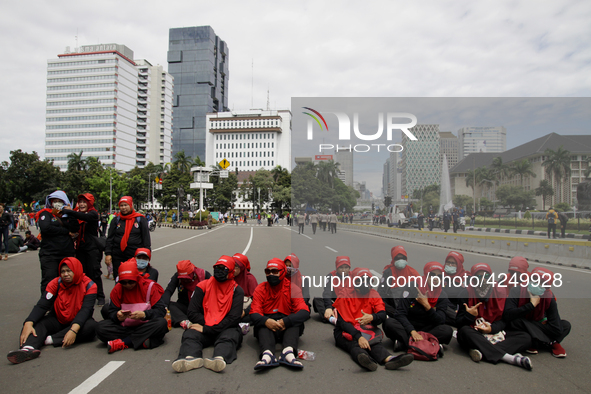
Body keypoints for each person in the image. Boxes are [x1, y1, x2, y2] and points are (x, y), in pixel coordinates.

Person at [7, 257, 98, 364]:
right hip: (58, 320)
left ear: (76, 270)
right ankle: (27, 349)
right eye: (63, 271)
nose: (65, 274)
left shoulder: (90, 285)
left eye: (69, 271)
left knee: (92, 327)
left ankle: (47, 340)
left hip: (78, 323)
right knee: (37, 324)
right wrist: (28, 323)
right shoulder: (55, 283)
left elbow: (85, 310)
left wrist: (73, 330)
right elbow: (42, 306)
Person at [172, 256, 244, 373]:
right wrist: (206, 325)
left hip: (223, 328)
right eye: (217, 268)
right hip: (204, 323)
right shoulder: (202, 286)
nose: (219, 271)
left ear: (231, 272)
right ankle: (190, 357)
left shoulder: (237, 290)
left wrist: (208, 329)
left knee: (231, 336)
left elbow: (234, 318)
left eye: (224, 269)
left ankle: (219, 358)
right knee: (190, 334)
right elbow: (192, 312)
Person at [333, 267, 414, 371]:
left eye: (367, 280)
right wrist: (359, 337)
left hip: (366, 329)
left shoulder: (373, 294)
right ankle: (365, 359)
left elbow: (382, 314)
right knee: (355, 345)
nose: (364, 283)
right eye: (360, 280)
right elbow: (343, 323)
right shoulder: (345, 295)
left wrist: (372, 317)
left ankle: (390, 359)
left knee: (375, 344)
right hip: (346, 331)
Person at [456, 263, 533, 370]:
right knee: (463, 331)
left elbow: (505, 320)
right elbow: (459, 323)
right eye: (479, 276)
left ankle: (483, 350)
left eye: (486, 276)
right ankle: (510, 358)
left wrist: (491, 328)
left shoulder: (500, 292)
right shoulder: (466, 293)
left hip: (495, 332)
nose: (483, 279)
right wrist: (469, 316)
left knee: (526, 337)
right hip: (475, 332)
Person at [95, 260, 168, 353]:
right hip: (125, 326)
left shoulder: (149, 286)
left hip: (145, 324)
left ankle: (124, 342)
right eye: (123, 282)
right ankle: (142, 340)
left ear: (137, 278)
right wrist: (118, 316)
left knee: (161, 323)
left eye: (131, 282)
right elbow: (112, 312)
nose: (127, 285)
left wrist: (144, 314)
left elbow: (161, 310)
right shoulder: (117, 289)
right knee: (100, 327)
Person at [382, 261, 453, 355]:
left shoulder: (442, 294)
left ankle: (404, 343)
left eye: (439, 276)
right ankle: (430, 344)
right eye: (432, 275)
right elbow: (400, 313)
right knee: (389, 323)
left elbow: (440, 320)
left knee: (447, 331)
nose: (435, 278)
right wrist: (412, 331)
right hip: (409, 326)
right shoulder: (412, 287)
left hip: (428, 327)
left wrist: (427, 306)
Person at [251, 258, 310, 370]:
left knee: (295, 321)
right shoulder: (261, 288)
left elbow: (304, 311)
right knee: (261, 324)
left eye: (275, 271)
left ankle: (288, 353)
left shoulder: (292, 287)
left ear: (283, 272)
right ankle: (267, 355)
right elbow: (254, 312)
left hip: (286, 323)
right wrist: (266, 321)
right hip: (268, 323)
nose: (271, 274)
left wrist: (286, 321)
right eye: (268, 272)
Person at [503, 266, 570, 358]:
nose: (537, 284)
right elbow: (507, 315)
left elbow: (556, 329)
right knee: (516, 322)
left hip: (536, 324)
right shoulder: (517, 290)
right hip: (520, 326)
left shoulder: (549, 298)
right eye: (535, 280)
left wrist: (539, 325)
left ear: (546, 287)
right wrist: (531, 305)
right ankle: (551, 342)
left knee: (566, 325)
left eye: (542, 283)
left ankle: (537, 342)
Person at [62, 193, 105, 306]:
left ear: (89, 203)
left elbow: (85, 217)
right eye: (80, 202)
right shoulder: (76, 214)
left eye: (84, 202)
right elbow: (73, 227)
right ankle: (84, 295)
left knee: (94, 272)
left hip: (92, 248)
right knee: (81, 273)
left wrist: (70, 211)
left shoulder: (93, 213)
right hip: (80, 248)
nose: (81, 204)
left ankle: (100, 296)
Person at [36, 191, 79, 294]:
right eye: (55, 201)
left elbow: (75, 228)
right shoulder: (46, 213)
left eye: (60, 201)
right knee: (49, 279)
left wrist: (71, 214)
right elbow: (46, 228)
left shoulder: (67, 215)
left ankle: (66, 302)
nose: (57, 203)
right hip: (50, 254)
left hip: (66, 253)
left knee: (68, 280)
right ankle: (47, 303)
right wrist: (65, 231)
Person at [105, 196, 151, 278]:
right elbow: (110, 238)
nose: (123, 208)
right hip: (118, 255)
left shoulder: (140, 219)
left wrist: (146, 255)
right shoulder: (116, 220)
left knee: (134, 278)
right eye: (121, 205)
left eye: (126, 205)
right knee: (119, 278)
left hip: (135, 256)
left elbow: (146, 238)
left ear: (131, 205)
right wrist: (108, 254)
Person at [162, 260, 211, 329]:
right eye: (182, 279)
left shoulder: (204, 275)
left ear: (192, 273)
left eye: (187, 278)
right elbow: (168, 291)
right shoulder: (177, 277)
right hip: (185, 307)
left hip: (200, 308)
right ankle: (185, 321)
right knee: (167, 304)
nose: (184, 280)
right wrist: (164, 307)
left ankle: (180, 318)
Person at [378, 246, 421, 316]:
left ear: (406, 259)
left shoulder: (413, 273)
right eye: (397, 258)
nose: (400, 260)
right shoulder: (388, 272)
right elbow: (381, 294)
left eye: (403, 258)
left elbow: (420, 293)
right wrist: (394, 312)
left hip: (409, 309)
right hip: (393, 309)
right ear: (393, 259)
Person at [313, 256, 352, 322]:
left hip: (349, 303)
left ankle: (334, 317)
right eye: (341, 267)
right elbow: (327, 293)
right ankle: (332, 319)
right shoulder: (331, 276)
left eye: (346, 267)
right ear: (337, 268)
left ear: (349, 268)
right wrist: (328, 307)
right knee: (317, 301)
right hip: (336, 302)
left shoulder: (353, 276)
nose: (344, 270)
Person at [442, 250, 470, 326]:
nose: (450, 265)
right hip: (445, 308)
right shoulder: (439, 276)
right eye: (448, 262)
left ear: (459, 265)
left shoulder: (466, 278)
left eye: (453, 263)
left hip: (460, 309)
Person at [232, 253, 258, 320]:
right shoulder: (228, 277)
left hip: (245, 309)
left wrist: (244, 312)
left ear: (242, 267)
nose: (232, 268)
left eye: (236, 266)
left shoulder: (250, 279)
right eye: (231, 265)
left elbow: (256, 300)